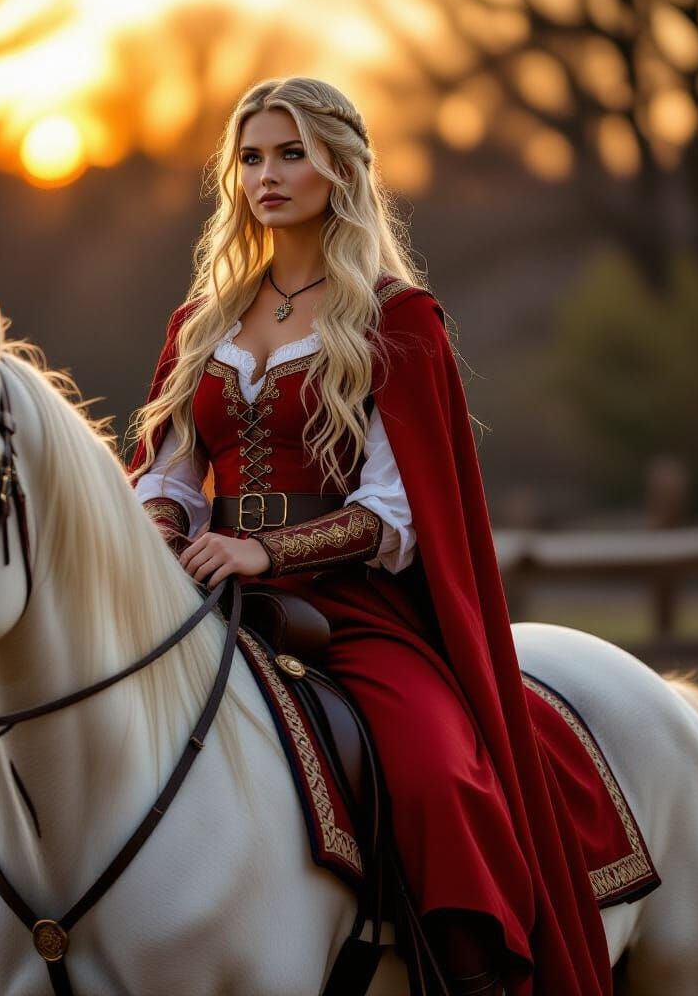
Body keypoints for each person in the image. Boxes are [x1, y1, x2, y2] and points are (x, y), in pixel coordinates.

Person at [126, 77, 612, 996]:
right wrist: (161, 533)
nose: (267, 176)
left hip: (354, 607)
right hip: (203, 588)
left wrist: (266, 551)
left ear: (342, 168)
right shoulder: (201, 322)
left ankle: (472, 972)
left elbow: (400, 509)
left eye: (291, 154)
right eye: (251, 157)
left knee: (435, 772)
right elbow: (168, 471)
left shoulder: (396, 318)